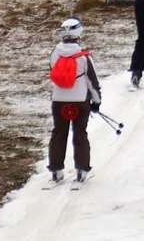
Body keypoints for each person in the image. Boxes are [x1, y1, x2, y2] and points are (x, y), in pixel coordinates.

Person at [48, 17, 102, 186]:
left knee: (58, 133)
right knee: (80, 134)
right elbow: (92, 81)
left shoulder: (54, 54)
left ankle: (56, 171)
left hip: (59, 101)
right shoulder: (84, 56)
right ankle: (82, 169)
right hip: (80, 101)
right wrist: (96, 101)